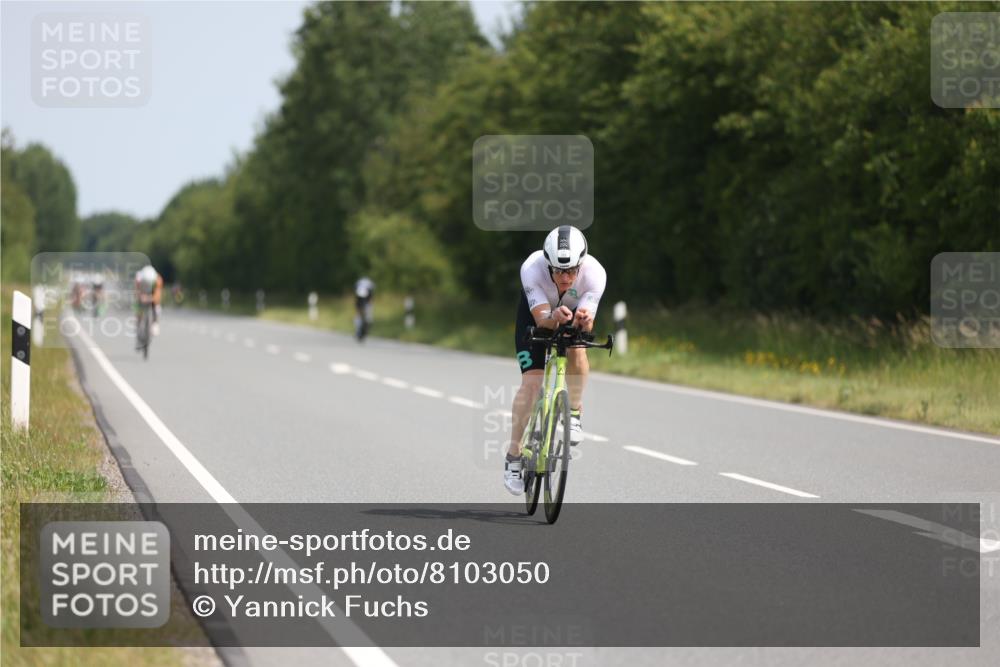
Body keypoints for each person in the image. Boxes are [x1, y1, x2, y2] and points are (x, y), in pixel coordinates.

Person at [504, 225, 606, 495]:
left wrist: (584, 321)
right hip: (536, 317)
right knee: (532, 383)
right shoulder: (532, 268)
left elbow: (588, 324)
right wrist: (553, 317)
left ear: (581, 265)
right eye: (559, 271)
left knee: (578, 349)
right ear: (548, 266)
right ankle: (513, 456)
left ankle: (574, 413)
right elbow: (542, 322)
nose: (566, 278)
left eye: (572, 271)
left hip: (571, 315)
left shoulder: (595, 273)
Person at [134, 264, 163, 338]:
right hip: (142, 293)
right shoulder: (138, 278)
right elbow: (136, 292)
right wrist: (140, 297)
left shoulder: (158, 279)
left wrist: (151, 298)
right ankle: (138, 322)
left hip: (152, 294)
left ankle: (155, 322)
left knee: (157, 308)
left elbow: (157, 296)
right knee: (138, 306)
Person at [354, 276, 375, 341]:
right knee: (361, 316)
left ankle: (362, 330)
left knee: (366, 317)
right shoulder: (368, 285)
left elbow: (370, 298)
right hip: (362, 302)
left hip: (364, 302)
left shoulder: (361, 285)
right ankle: (359, 331)